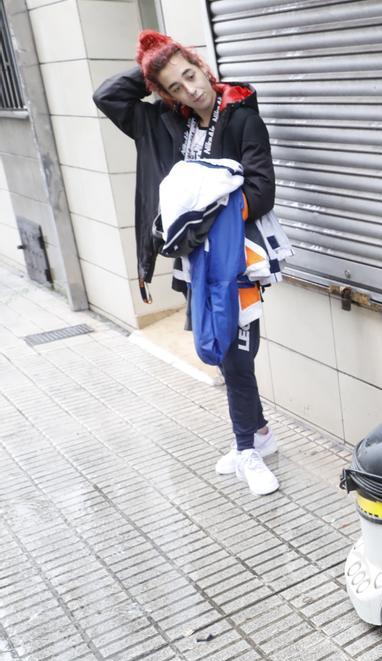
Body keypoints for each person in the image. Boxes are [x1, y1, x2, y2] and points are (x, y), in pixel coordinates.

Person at [93, 31, 280, 495]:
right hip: (193, 256)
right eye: (176, 86)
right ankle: (258, 434)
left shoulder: (240, 119)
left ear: (203, 66)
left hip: (237, 254)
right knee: (221, 347)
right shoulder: (165, 122)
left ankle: (247, 450)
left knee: (237, 350)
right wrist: (155, 65)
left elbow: (261, 191)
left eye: (191, 75)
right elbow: (107, 96)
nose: (190, 89)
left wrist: (208, 214)